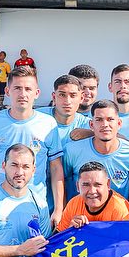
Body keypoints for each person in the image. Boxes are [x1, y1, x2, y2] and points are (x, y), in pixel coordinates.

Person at [54, 100, 129, 216]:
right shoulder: (72, 150)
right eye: (99, 120)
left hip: (117, 218)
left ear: (119, 123)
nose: (105, 124)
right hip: (80, 220)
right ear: (91, 125)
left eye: (110, 119)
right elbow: (62, 181)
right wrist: (64, 212)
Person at [37, 75, 90, 209]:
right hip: (40, 195)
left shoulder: (88, 124)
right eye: (62, 95)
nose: (67, 101)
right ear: (54, 97)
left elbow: (118, 139)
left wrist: (91, 133)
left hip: (75, 197)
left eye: (73, 95)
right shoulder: (38, 118)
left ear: (81, 97)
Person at [57, 161, 129, 230]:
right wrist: (70, 231)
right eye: (86, 185)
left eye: (97, 184)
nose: (92, 191)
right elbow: (57, 239)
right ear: (77, 186)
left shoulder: (121, 209)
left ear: (108, 184)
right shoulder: (73, 204)